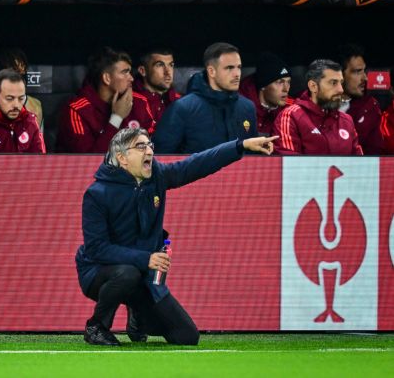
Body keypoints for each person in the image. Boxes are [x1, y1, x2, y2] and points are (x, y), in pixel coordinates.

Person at [77, 127, 276, 346]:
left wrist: (240, 146)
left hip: (143, 273)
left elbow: (197, 164)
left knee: (186, 336)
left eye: (150, 145)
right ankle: (97, 327)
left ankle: (138, 317)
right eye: (140, 146)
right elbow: (97, 249)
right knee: (127, 274)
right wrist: (146, 259)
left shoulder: (157, 176)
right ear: (122, 157)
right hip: (98, 272)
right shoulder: (97, 193)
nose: (150, 151)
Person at [152, 42, 258, 154]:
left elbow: (255, 156)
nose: (237, 74)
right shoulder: (182, 109)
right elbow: (161, 158)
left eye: (239, 67)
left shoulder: (247, 107)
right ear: (211, 71)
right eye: (229, 68)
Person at [56, 47, 155, 153]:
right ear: (107, 78)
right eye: (124, 72)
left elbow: (154, 147)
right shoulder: (76, 111)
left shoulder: (140, 102)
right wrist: (117, 118)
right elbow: (88, 162)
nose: (131, 78)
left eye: (130, 72)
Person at [273, 59, 363, 155]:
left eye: (341, 82)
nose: (341, 90)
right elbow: (289, 165)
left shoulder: (347, 121)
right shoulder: (290, 117)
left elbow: (360, 165)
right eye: (333, 83)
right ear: (313, 86)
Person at [0, 68, 45, 153]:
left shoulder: (30, 121)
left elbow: (40, 161)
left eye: (21, 99)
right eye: (10, 98)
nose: (16, 105)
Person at [337, 44, 383, 155]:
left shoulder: (370, 107)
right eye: (357, 72)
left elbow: (375, 153)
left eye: (364, 71)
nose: (365, 78)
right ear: (339, 75)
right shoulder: (316, 103)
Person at [0, 47, 44, 130]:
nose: (20, 76)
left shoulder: (34, 106)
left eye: (23, 70)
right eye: (14, 71)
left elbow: (36, 141)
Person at [238, 52, 293, 136]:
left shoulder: (292, 107)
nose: (286, 89)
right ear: (263, 86)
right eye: (280, 82)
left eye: (288, 82)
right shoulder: (238, 107)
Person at [132, 48, 181, 125]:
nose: (167, 72)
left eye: (171, 65)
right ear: (142, 71)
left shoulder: (179, 100)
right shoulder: (131, 102)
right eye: (160, 65)